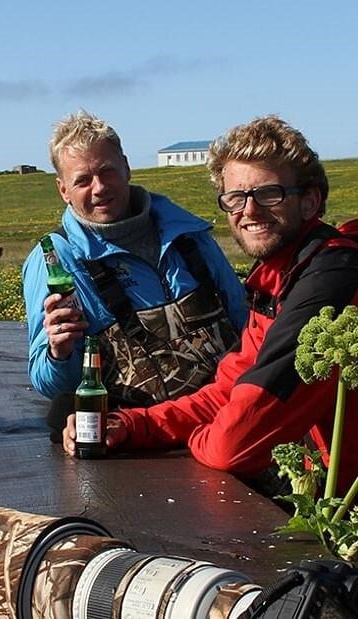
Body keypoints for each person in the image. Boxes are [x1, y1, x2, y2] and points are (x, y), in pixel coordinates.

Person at [62, 115, 358, 494]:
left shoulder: (334, 278)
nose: (249, 211)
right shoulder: (278, 278)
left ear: (310, 201)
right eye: (236, 198)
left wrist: (201, 436)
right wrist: (133, 425)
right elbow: (229, 390)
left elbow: (234, 444)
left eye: (269, 193)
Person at [22, 110, 247, 438]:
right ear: (63, 190)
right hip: (135, 444)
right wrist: (60, 352)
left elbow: (244, 322)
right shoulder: (56, 260)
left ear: (126, 167)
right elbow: (49, 384)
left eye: (107, 172)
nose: (99, 188)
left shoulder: (189, 236)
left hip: (227, 423)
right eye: (83, 180)